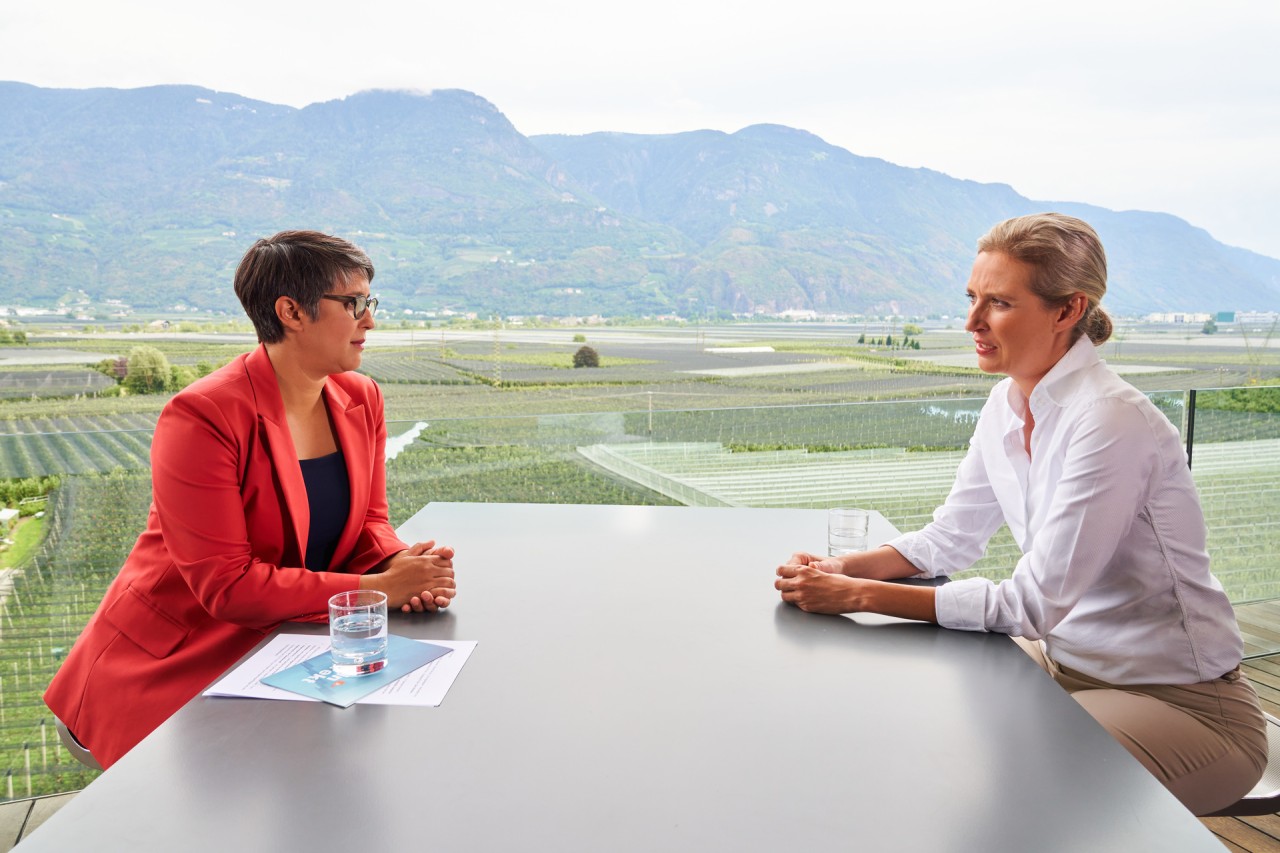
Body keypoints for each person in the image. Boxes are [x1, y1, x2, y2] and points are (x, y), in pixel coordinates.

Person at [775, 213, 1267, 815]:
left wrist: (857, 595)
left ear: (1066, 310)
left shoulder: (1111, 422)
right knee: (920, 739)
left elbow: (1031, 605)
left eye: (1000, 303)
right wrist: (840, 567)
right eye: (972, 298)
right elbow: (952, 537)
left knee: (1006, 795)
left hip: (1182, 705)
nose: (972, 323)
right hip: (1063, 666)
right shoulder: (1007, 402)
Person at [45, 230, 456, 769]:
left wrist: (397, 559)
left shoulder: (362, 397)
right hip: (170, 666)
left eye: (369, 303)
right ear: (292, 311)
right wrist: (376, 588)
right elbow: (227, 584)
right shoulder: (202, 416)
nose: (370, 321)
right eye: (354, 303)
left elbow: (368, 521)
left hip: (276, 648)